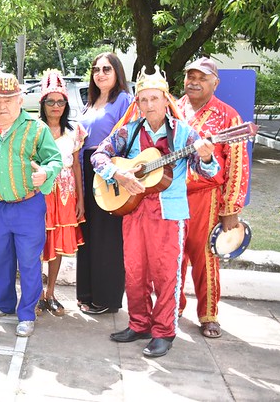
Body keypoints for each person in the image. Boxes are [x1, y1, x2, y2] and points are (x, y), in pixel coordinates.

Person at [92, 66, 217, 358]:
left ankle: (164, 331)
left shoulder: (184, 133)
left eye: (154, 99)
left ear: (165, 99)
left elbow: (207, 170)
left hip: (169, 214)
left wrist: (207, 156)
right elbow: (99, 154)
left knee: (166, 275)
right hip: (134, 210)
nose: (149, 105)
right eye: (143, 100)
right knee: (135, 272)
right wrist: (117, 175)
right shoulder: (130, 130)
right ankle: (139, 324)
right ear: (137, 103)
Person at [0, 73, 62, 337]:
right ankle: (3, 303)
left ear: (20, 100)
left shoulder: (37, 128)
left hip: (27, 206)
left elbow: (55, 160)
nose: (3, 106)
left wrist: (45, 174)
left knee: (28, 262)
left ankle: (26, 313)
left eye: (9, 100)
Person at [177, 57, 249, 339]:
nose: (194, 82)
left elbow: (238, 165)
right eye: (190, 76)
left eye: (202, 78)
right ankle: (173, 307)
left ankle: (208, 315)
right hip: (171, 194)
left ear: (215, 83)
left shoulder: (228, 115)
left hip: (206, 197)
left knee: (205, 256)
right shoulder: (173, 108)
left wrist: (230, 208)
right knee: (173, 256)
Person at [76, 52, 133, 315]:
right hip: (85, 170)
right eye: (96, 69)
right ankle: (86, 292)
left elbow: (129, 139)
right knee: (87, 233)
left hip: (109, 171)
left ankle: (106, 297)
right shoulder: (90, 103)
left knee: (106, 236)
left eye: (107, 69)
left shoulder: (123, 100)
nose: (100, 73)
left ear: (117, 72)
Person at [37, 70, 86, 317]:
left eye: (60, 101)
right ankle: (35, 294)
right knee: (36, 244)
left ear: (66, 104)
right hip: (41, 193)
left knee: (56, 246)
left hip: (66, 194)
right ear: (42, 104)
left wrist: (81, 201)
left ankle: (51, 293)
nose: (55, 106)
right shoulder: (33, 129)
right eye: (50, 101)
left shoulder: (74, 130)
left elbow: (77, 165)